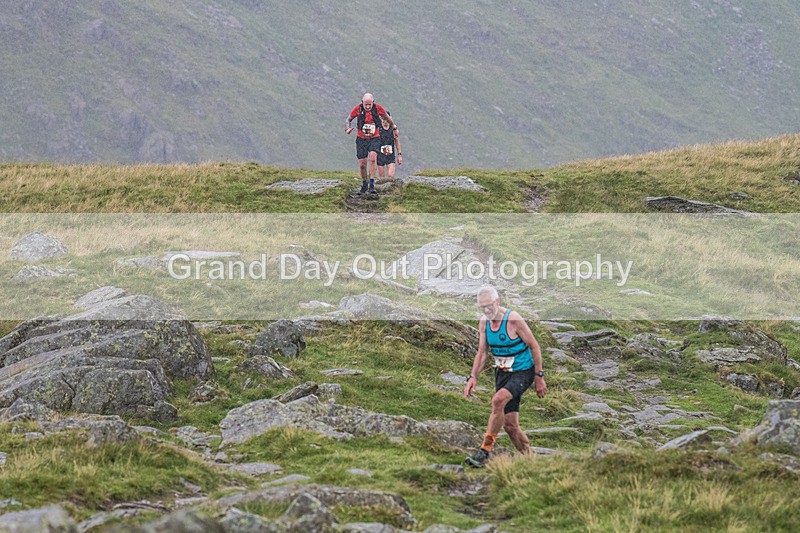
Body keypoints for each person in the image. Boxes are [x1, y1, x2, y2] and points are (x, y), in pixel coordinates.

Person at [463, 286, 547, 468]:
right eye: (482, 307)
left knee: (498, 400)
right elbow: (482, 353)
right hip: (502, 373)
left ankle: (484, 451)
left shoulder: (513, 320)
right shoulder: (484, 323)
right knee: (510, 426)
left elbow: (534, 346)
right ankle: (531, 458)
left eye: (489, 306)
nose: (486, 310)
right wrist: (472, 377)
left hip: (523, 372)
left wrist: (539, 376)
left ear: (497, 302)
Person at [346, 93, 396, 194]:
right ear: (362, 102)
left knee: (373, 158)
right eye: (366, 105)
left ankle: (372, 184)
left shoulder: (378, 108)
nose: (368, 107)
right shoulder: (358, 109)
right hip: (361, 139)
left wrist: (394, 127)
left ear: (373, 102)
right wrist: (348, 128)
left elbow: (387, 117)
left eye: (370, 104)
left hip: (374, 138)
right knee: (362, 165)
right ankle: (365, 184)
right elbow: (348, 119)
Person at [376, 112, 402, 182]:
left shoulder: (393, 129)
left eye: (388, 120)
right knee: (382, 179)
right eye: (384, 119)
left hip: (390, 155)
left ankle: (391, 190)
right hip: (380, 155)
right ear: (381, 119)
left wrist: (399, 155)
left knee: (391, 177)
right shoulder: (378, 128)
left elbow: (397, 141)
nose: (386, 122)